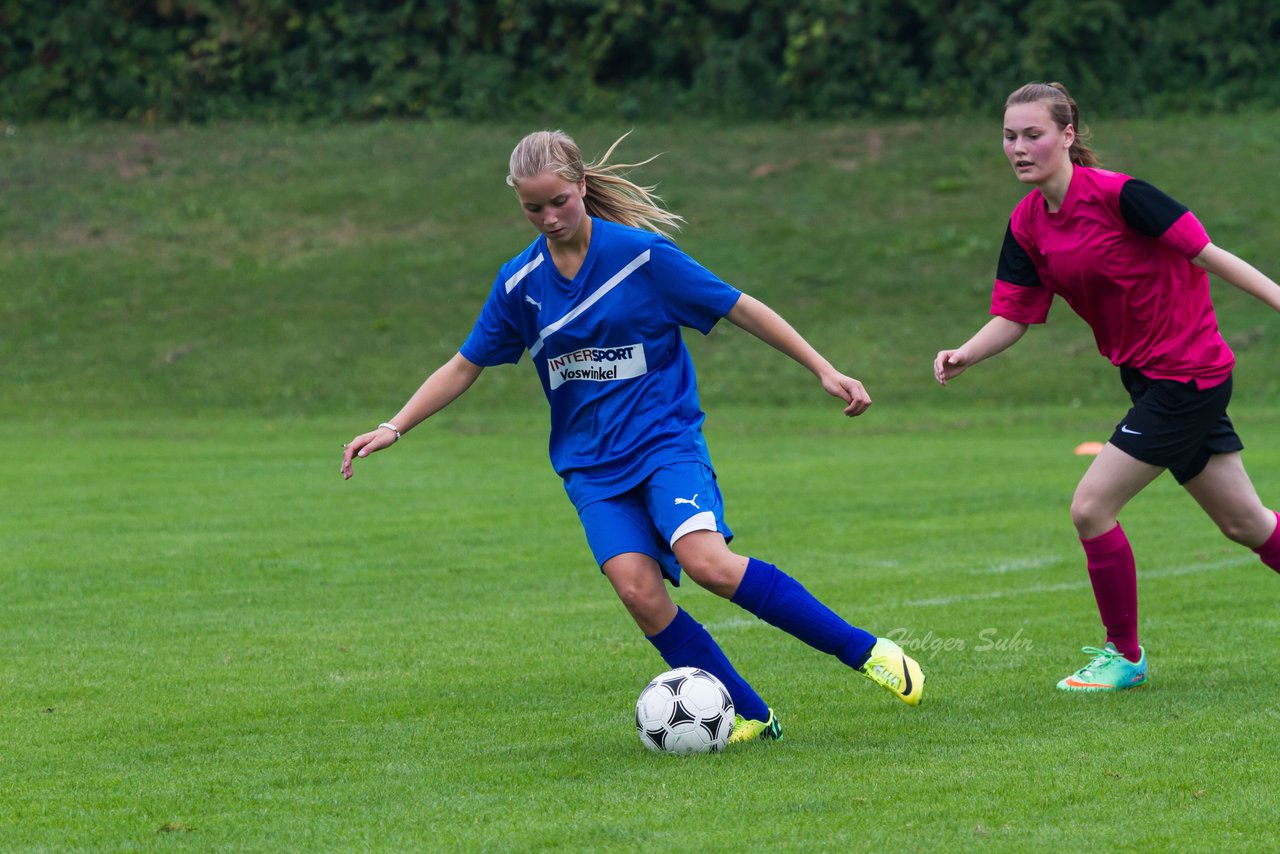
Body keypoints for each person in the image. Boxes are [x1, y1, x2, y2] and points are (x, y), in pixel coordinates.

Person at [341, 130, 925, 740]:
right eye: (532, 208)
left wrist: (824, 369)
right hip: (591, 468)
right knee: (638, 591)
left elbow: (740, 306)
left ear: (582, 186)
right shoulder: (519, 283)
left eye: (559, 202)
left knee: (709, 565)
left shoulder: (643, 257)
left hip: (664, 444)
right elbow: (465, 364)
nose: (548, 217)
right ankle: (753, 716)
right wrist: (393, 426)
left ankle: (867, 652)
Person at [934, 82, 1280, 692]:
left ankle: (1126, 657)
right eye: (1010, 137)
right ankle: (1127, 656)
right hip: (1150, 382)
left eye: (1033, 134)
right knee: (1247, 524)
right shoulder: (1027, 223)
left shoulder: (1125, 197)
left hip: (1187, 375)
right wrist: (968, 353)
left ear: (1067, 135)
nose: (1019, 147)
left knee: (1091, 508)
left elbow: (1208, 254)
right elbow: (1015, 315)